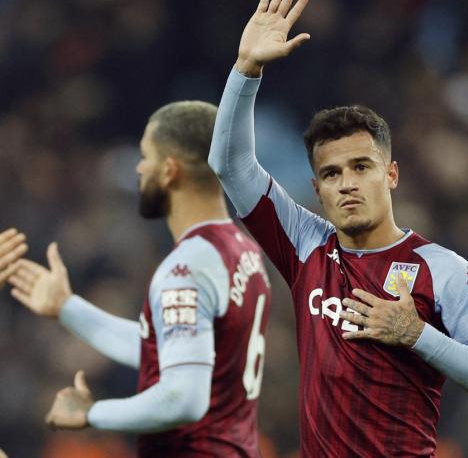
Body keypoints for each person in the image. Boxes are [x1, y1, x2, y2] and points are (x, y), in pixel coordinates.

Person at [208, 0, 468, 457]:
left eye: (361, 167)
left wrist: (417, 335)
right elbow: (230, 165)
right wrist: (246, 68)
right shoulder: (305, 244)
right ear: (317, 190)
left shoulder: (441, 270)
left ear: (392, 175)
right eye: (332, 173)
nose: (347, 183)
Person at [8, 101, 271, 458]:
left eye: (146, 155)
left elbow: (183, 399)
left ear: (169, 170)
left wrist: (92, 414)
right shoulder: (244, 252)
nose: (139, 167)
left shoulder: (185, 268)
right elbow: (172, 351)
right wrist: (68, 308)